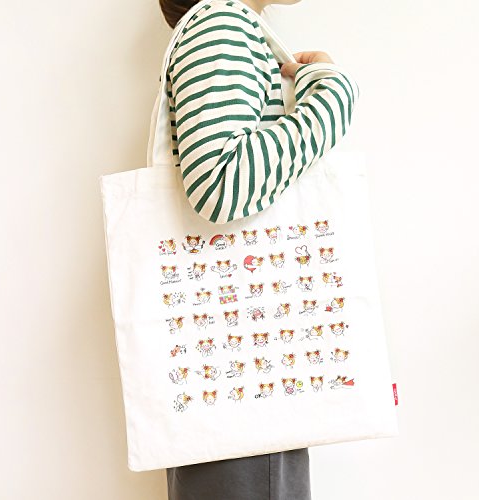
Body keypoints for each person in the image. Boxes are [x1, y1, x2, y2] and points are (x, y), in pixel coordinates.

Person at [159, 0, 359, 497]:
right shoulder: (220, 25)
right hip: (242, 368)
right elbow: (219, 184)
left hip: (241, 364)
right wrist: (330, 102)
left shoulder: (229, 27)